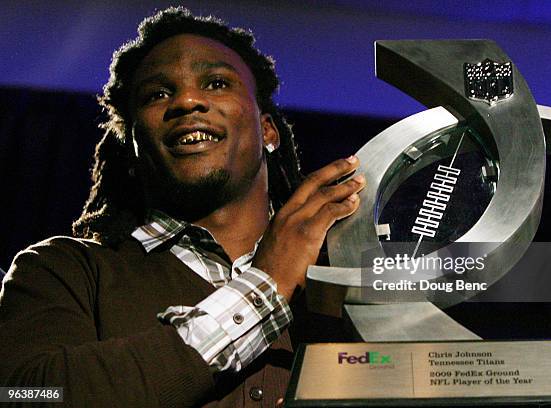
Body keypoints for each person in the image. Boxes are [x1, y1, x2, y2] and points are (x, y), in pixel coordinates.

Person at [0, 7, 365, 407]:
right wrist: (266, 285)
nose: (187, 101)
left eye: (216, 83)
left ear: (267, 130)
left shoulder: (350, 269)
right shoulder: (62, 269)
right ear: (131, 146)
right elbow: (27, 395)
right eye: (157, 94)